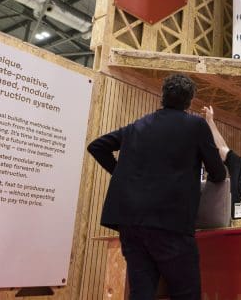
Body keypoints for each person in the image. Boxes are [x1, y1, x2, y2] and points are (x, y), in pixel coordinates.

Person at [87, 74, 226, 300]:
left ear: (163, 96)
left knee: (141, 292)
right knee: (186, 293)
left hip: (130, 221)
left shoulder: (139, 125)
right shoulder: (196, 125)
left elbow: (97, 146)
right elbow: (218, 172)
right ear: (189, 101)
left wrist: (121, 174)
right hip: (170, 221)